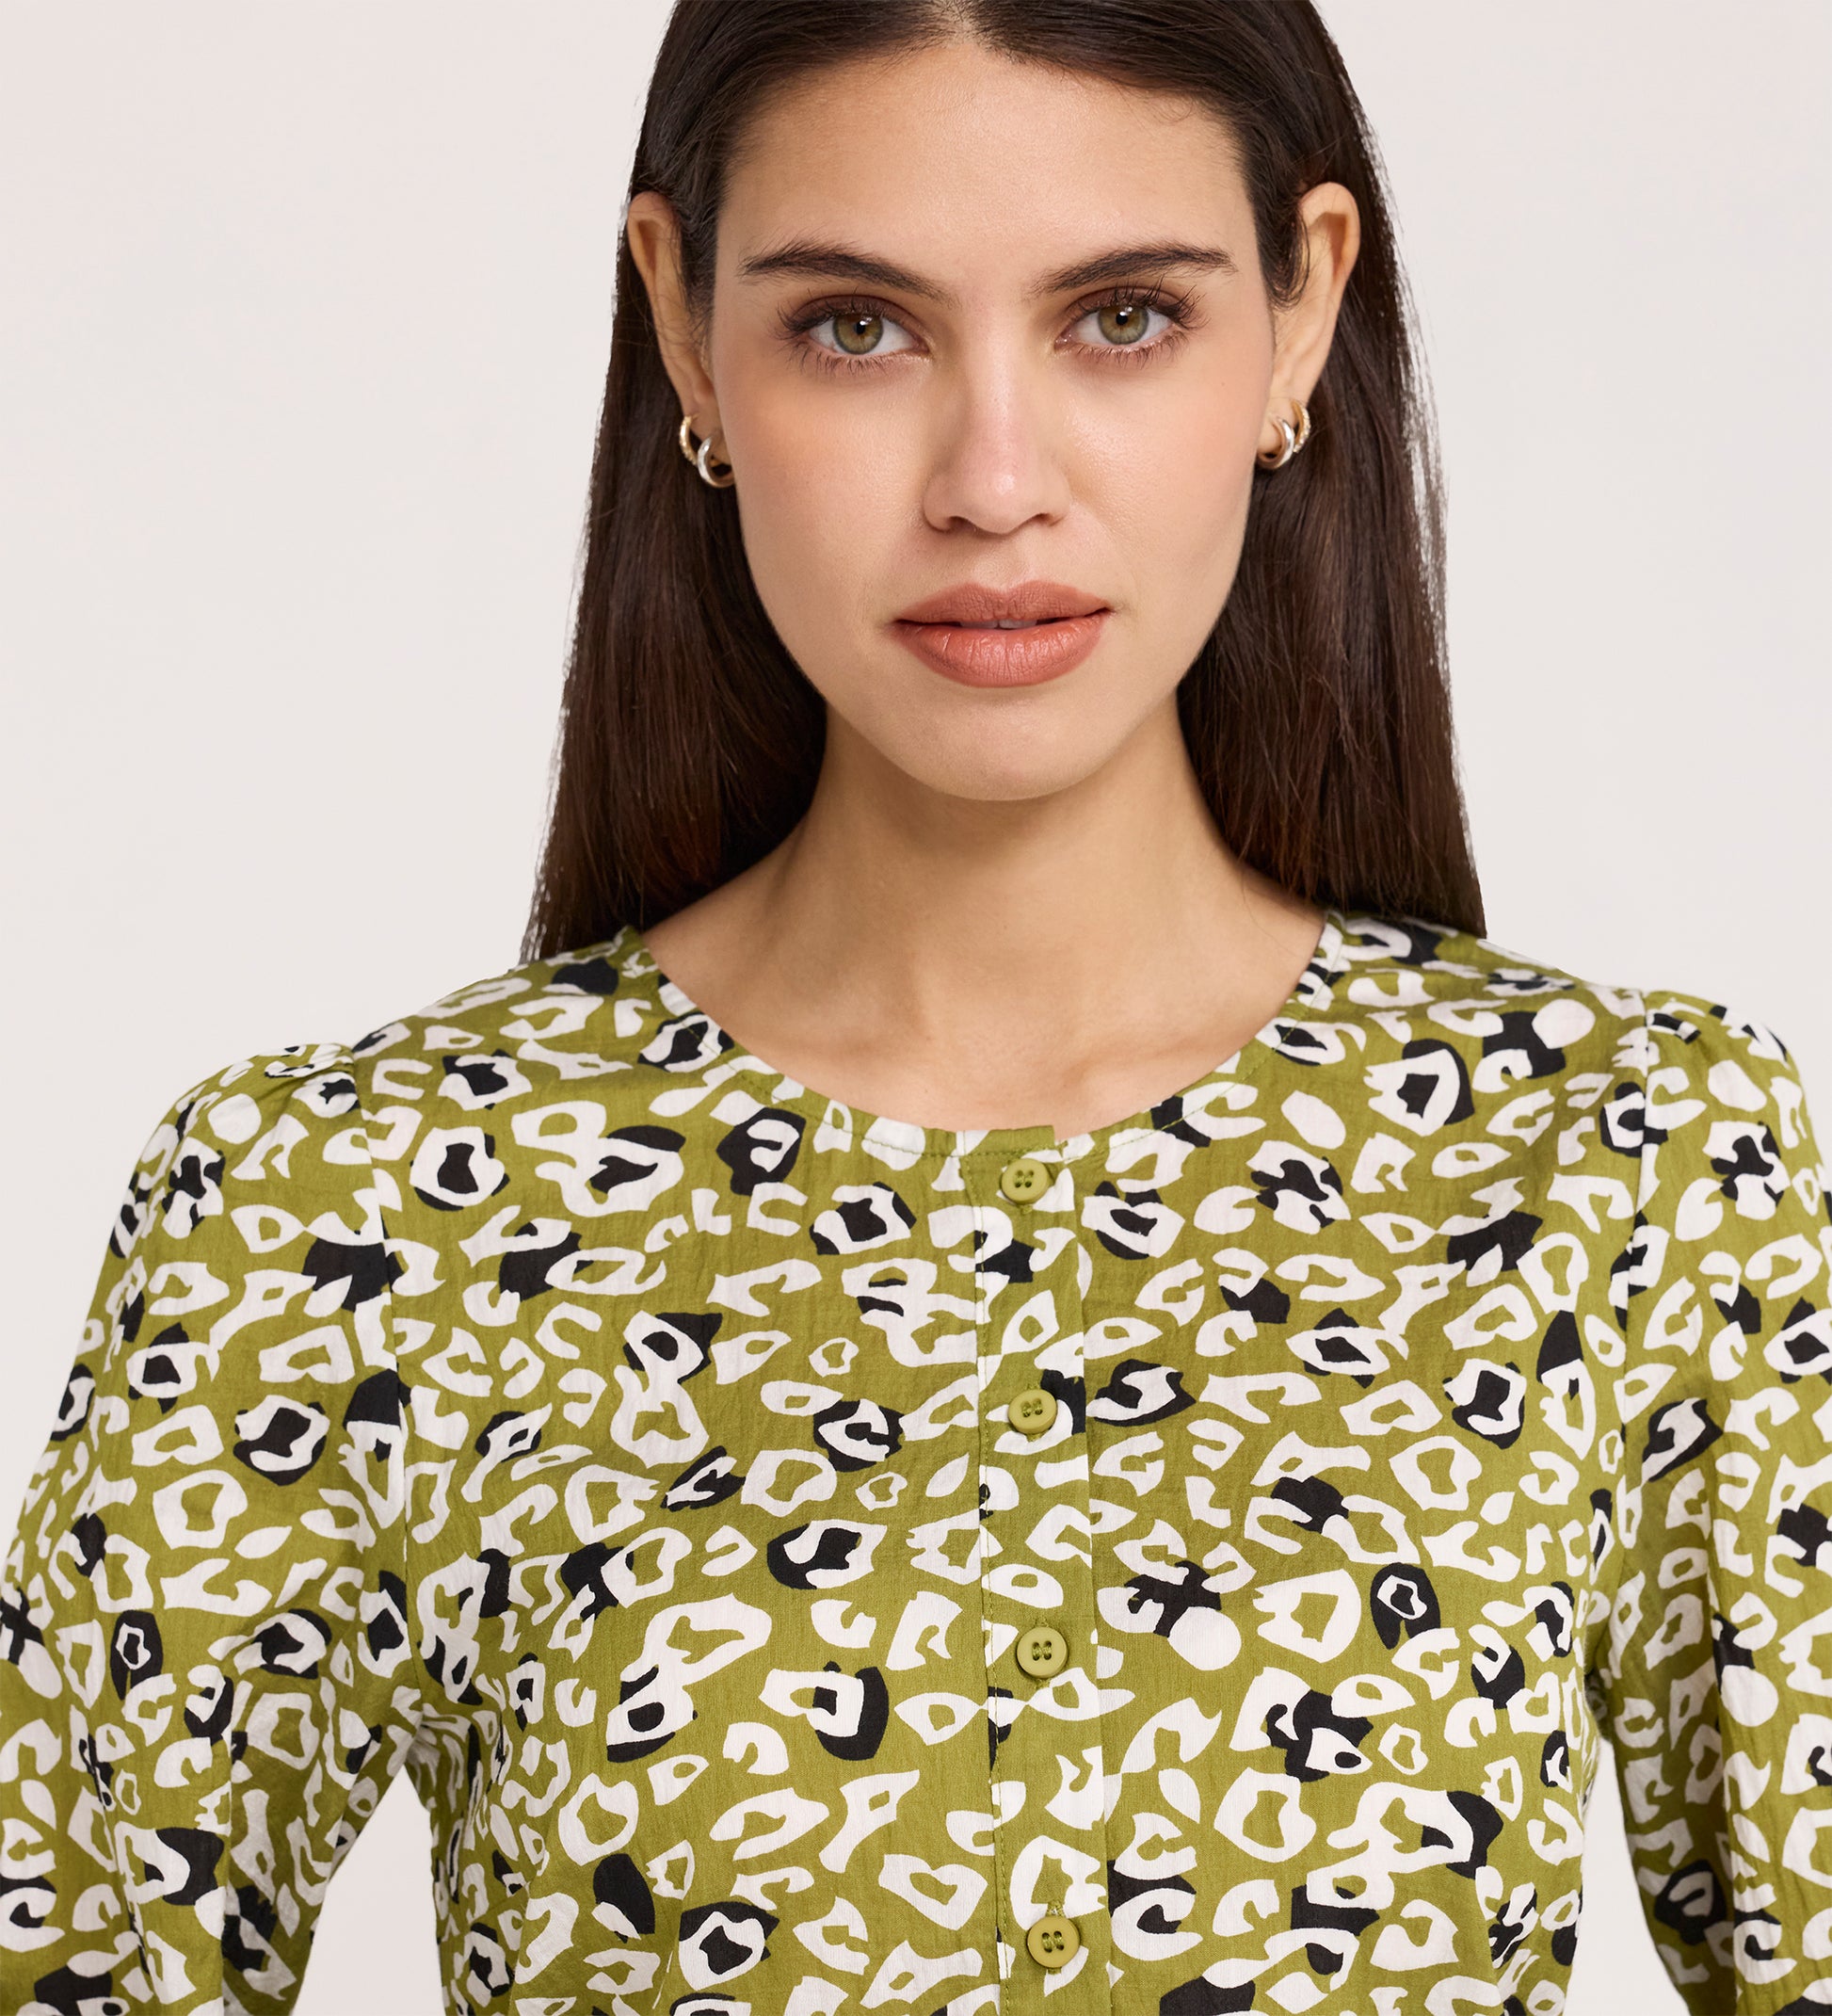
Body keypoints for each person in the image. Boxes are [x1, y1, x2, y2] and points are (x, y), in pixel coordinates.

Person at [1, 2, 1824, 2010]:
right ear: (686, 330)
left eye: (1121, 316)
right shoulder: (337, 1213)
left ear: (1300, 314)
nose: (991, 480)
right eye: (855, 327)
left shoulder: (1628, 1162)